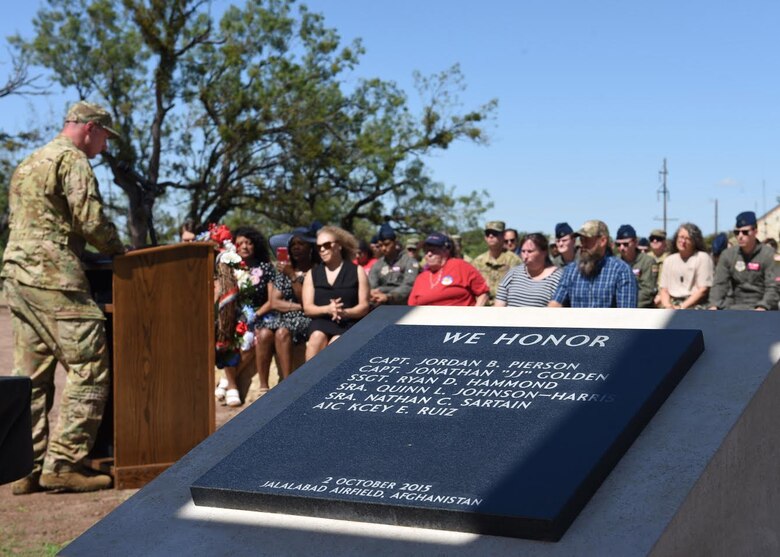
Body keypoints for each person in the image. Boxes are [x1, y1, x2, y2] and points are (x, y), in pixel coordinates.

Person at [2, 101, 125, 494]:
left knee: (32, 377)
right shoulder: (73, 161)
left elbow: (41, 223)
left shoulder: (28, 163)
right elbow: (90, 222)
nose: (104, 147)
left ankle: (24, 467)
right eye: (105, 137)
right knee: (89, 364)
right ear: (90, 128)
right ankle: (64, 462)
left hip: (16, 276)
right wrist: (120, 250)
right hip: (53, 277)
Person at [214, 226, 274, 407]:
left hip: (260, 314)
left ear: (255, 245)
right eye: (240, 243)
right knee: (228, 337)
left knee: (252, 339)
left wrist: (254, 315)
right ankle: (232, 385)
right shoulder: (229, 269)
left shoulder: (265, 268)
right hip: (235, 315)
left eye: (249, 242)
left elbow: (271, 301)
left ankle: (228, 380)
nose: (245, 246)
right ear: (234, 247)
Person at [255, 227, 316, 388]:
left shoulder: (316, 271)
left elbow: (308, 300)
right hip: (286, 315)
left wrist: (293, 277)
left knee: (282, 332)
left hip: (308, 317)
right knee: (263, 333)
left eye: (301, 244)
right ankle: (263, 386)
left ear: (311, 247)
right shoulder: (284, 270)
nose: (296, 247)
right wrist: (300, 306)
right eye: (293, 244)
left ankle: (287, 385)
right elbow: (274, 302)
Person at [303, 226, 370, 360]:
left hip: (348, 322)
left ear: (338, 246)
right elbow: (308, 308)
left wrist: (345, 312)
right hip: (321, 321)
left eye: (327, 245)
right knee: (316, 338)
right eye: (319, 247)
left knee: (337, 342)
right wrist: (328, 309)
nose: (322, 249)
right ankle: (307, 380)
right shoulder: (312, 274)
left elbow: (364, 306)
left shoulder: (357, 271)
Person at [549, 220, 637, 308]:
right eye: (581, 239)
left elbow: (627, 313)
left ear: (602, 241)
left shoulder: (621, 271)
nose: (582, 244)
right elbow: (555, 304)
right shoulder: (571, 271)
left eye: (587, 240)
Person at [709, 212, 778, 311]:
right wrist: (713, 305)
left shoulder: (768, 255)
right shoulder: (728, 255)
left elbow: (773, 287)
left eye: (745, 232)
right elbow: (719, 284)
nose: (740, 236)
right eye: (737, 232)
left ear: (755, 231)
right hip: (735, 306)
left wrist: (763, 306)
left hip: (762, 307)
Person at [408, 232, 489, 306]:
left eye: (433, 250)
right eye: (426, 250)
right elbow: (411, 306)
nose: (429, 254)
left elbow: (483, 293)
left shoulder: (461, 266)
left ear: (446, 250)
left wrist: (474, 317)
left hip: (460, 319)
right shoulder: (421, 277)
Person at [495, 233, 562, 307]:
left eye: (530, 251)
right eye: (523, 251)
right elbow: (498, 307)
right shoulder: (512, 274)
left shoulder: (557, 278)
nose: (525, 256)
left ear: (544, 252)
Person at [658, 223, 713, 310]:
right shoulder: (669, 260)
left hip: (695, 305)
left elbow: (703, 289)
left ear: (695, 241)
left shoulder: (702, 257)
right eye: (681, 237)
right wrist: (668, 307)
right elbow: (664, 289)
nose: (682, 241)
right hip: (672, 304)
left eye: (687, 239)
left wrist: (681, 307)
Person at [368, 223, 419, 306]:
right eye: (380, 245)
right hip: (379, 306)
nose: (384, 248)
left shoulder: (409, 261)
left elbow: (409, 285)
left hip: (402, 307)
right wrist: (373, 293)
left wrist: (389, 296)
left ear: (395, 243)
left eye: (387, 244)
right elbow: (371, 285)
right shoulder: (377, 265)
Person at [471, 220, 521, 305]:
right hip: (482, 308)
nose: (490, 236)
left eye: (495, 233)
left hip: (506, 308)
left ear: (503, 236)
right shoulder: (477, 262)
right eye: (488, 233)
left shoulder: (514, 260)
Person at [615, 224, 657, 308]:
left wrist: (628, 304)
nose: (622, 248)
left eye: (626, 244)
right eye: (618, 245)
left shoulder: (647, 262)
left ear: (635, 243)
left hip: (641, 310)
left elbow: (647, 291)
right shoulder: (615, 262)